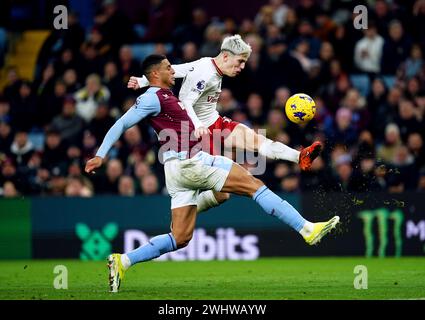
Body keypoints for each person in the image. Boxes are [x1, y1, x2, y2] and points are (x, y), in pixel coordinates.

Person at [85, 55, 340, 293]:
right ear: (154, 74)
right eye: (167, 68)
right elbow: (121, 123)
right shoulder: (154, 97)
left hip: (175, 171)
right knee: (254, 185)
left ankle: (123, 261)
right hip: (192, 162)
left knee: (182, 236)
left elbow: (187, 69)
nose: (173, 70)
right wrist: (100, 154)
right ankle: (306, 228)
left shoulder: (166, 94)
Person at [128, 34, 322, 213]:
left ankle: (300, 156)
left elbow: (179, 69)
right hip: (198, 133)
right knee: (222, 195)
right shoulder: (206, 74)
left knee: (256, 141)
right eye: (240, 62)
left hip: (216, 122)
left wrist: (143, 81)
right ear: (227, 56)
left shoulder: (207, 64)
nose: (242, 67)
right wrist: (198, 125)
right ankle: (185, 213)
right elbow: (186, 102)